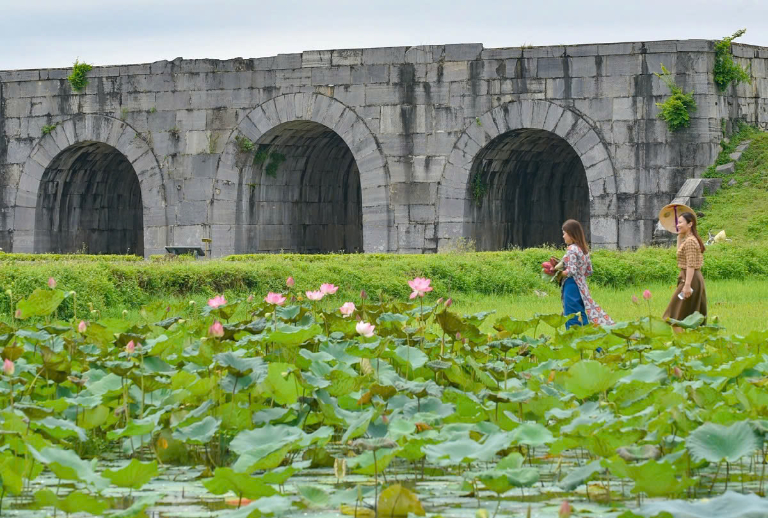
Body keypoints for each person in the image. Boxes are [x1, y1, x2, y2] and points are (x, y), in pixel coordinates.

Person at [560, 219, 615, 329]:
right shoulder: (583, 249)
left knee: (573, 318)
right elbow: (589, 271)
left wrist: (559, 273)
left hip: (571, 286)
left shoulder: (571, 249)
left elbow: (571, 271)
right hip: (582, 287)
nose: (563, 236)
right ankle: (593, 340)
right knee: (581, 314)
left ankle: (579, 342)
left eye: (564, 233)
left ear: (571, 234)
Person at [663, 212, 707, 326]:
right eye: (678, 222)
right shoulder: (687, 240)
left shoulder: (691, 242)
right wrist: (679, 237)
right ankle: (687, 342)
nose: (678, 225)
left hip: (690, 279)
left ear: (690, 224)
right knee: (682, 316)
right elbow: (679, 255)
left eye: (681, 222)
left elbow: (691, 265)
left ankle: (683, 343)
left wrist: (687, 285)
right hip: (688, 278)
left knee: (674, 316)